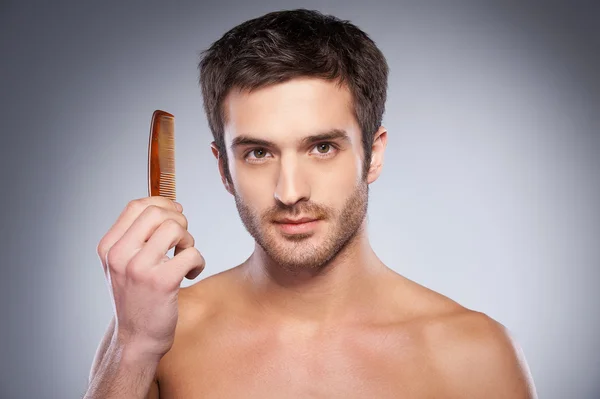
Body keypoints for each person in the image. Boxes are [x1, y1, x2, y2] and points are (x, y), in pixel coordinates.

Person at [85, 9, 537, 398]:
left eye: (322, 147)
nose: (290, 191)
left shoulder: (474, 356)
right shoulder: (157, 339)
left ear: (373, 155)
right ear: (223, 168)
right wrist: (134, 346)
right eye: (258, 153)